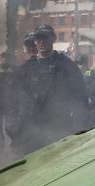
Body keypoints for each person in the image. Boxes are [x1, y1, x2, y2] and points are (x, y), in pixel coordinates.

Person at [12, 24, 88, 154]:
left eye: (45, 38)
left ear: (53, 38)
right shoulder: (25, 69)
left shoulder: (66, 65)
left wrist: (78, 126)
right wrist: (16, 128)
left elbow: (80, 97)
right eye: (37, 39)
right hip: (31, 128)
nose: (41, 42)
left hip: (58, 126)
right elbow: (15, 99)